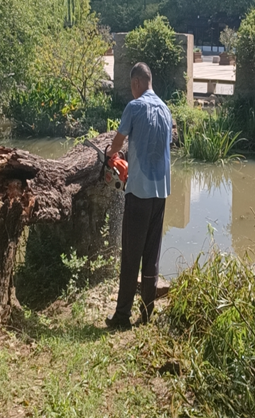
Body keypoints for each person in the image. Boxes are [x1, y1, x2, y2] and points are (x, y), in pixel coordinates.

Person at [105, 62, 172, 330]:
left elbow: (119, 142)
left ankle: (122, 316)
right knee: (151, 253)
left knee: (131, 254)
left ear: (135, 83)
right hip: (161, 192)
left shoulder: (134, 107)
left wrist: (112, 156)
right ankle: (146, 313)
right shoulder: (166, 110)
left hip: (140, 191)